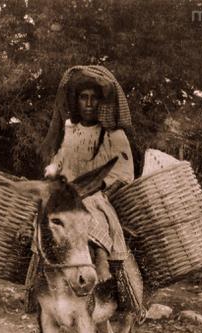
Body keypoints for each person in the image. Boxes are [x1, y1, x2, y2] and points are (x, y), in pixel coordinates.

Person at [40, 65, 143, 311]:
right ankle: (41, 280)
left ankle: (101, 258)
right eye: (83, 98)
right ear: (76, 101)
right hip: (67, 192)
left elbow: (124, 173)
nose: (88, 104)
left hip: (98, 195)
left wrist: (98, 188)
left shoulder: (113, 135)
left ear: (101, 103)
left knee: (86, 208)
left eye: (93, 98)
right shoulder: (70, 130)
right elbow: (61, 158)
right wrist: (53, 169)